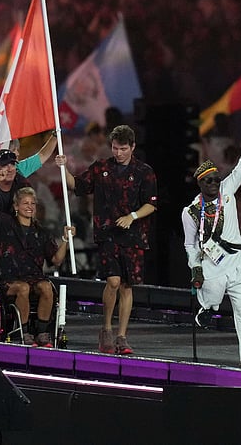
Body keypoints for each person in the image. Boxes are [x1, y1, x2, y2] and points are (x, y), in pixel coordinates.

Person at [182, 109, 241, 371]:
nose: (214, 183)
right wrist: (195, 268)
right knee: (211, 296)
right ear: (200, 183)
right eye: (208, 180)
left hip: (238, 261)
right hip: (211, 264)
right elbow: (190, 245)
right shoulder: (190, 211)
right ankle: (206, 308)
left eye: (215, 178)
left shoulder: (227, 191)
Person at [63, 124, 157, 355]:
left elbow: (151, 204)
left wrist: (131, 217)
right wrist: (63, 168)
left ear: (132, 147)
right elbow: (79, 186)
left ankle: (122, 336)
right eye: (115, 148)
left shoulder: (145, 172)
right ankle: (106, 328)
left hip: (133, 234)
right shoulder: (101, 168)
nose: (118, 153)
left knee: (126, 286)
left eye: (123, 148)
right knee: (113, 281)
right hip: (108, 233)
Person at [0, 134, 59, 336]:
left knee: (35, 284)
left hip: (11, 236)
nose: (9, 169)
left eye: (12, 164)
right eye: (5, 165)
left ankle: (35, 330)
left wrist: (54, 137)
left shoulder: (22, 183)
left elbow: (41, 158)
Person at [0, 173, 74, 347]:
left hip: (33, 277)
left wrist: (65, 240)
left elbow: (56, 260)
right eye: (26, 203)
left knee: (46, 287)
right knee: (23, 288)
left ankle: (42, 333)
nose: (30, 207)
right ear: (16, 206)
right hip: (8, 279)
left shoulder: (41, 232)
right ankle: (24, 332)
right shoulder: (4, 222)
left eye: (33, 203)